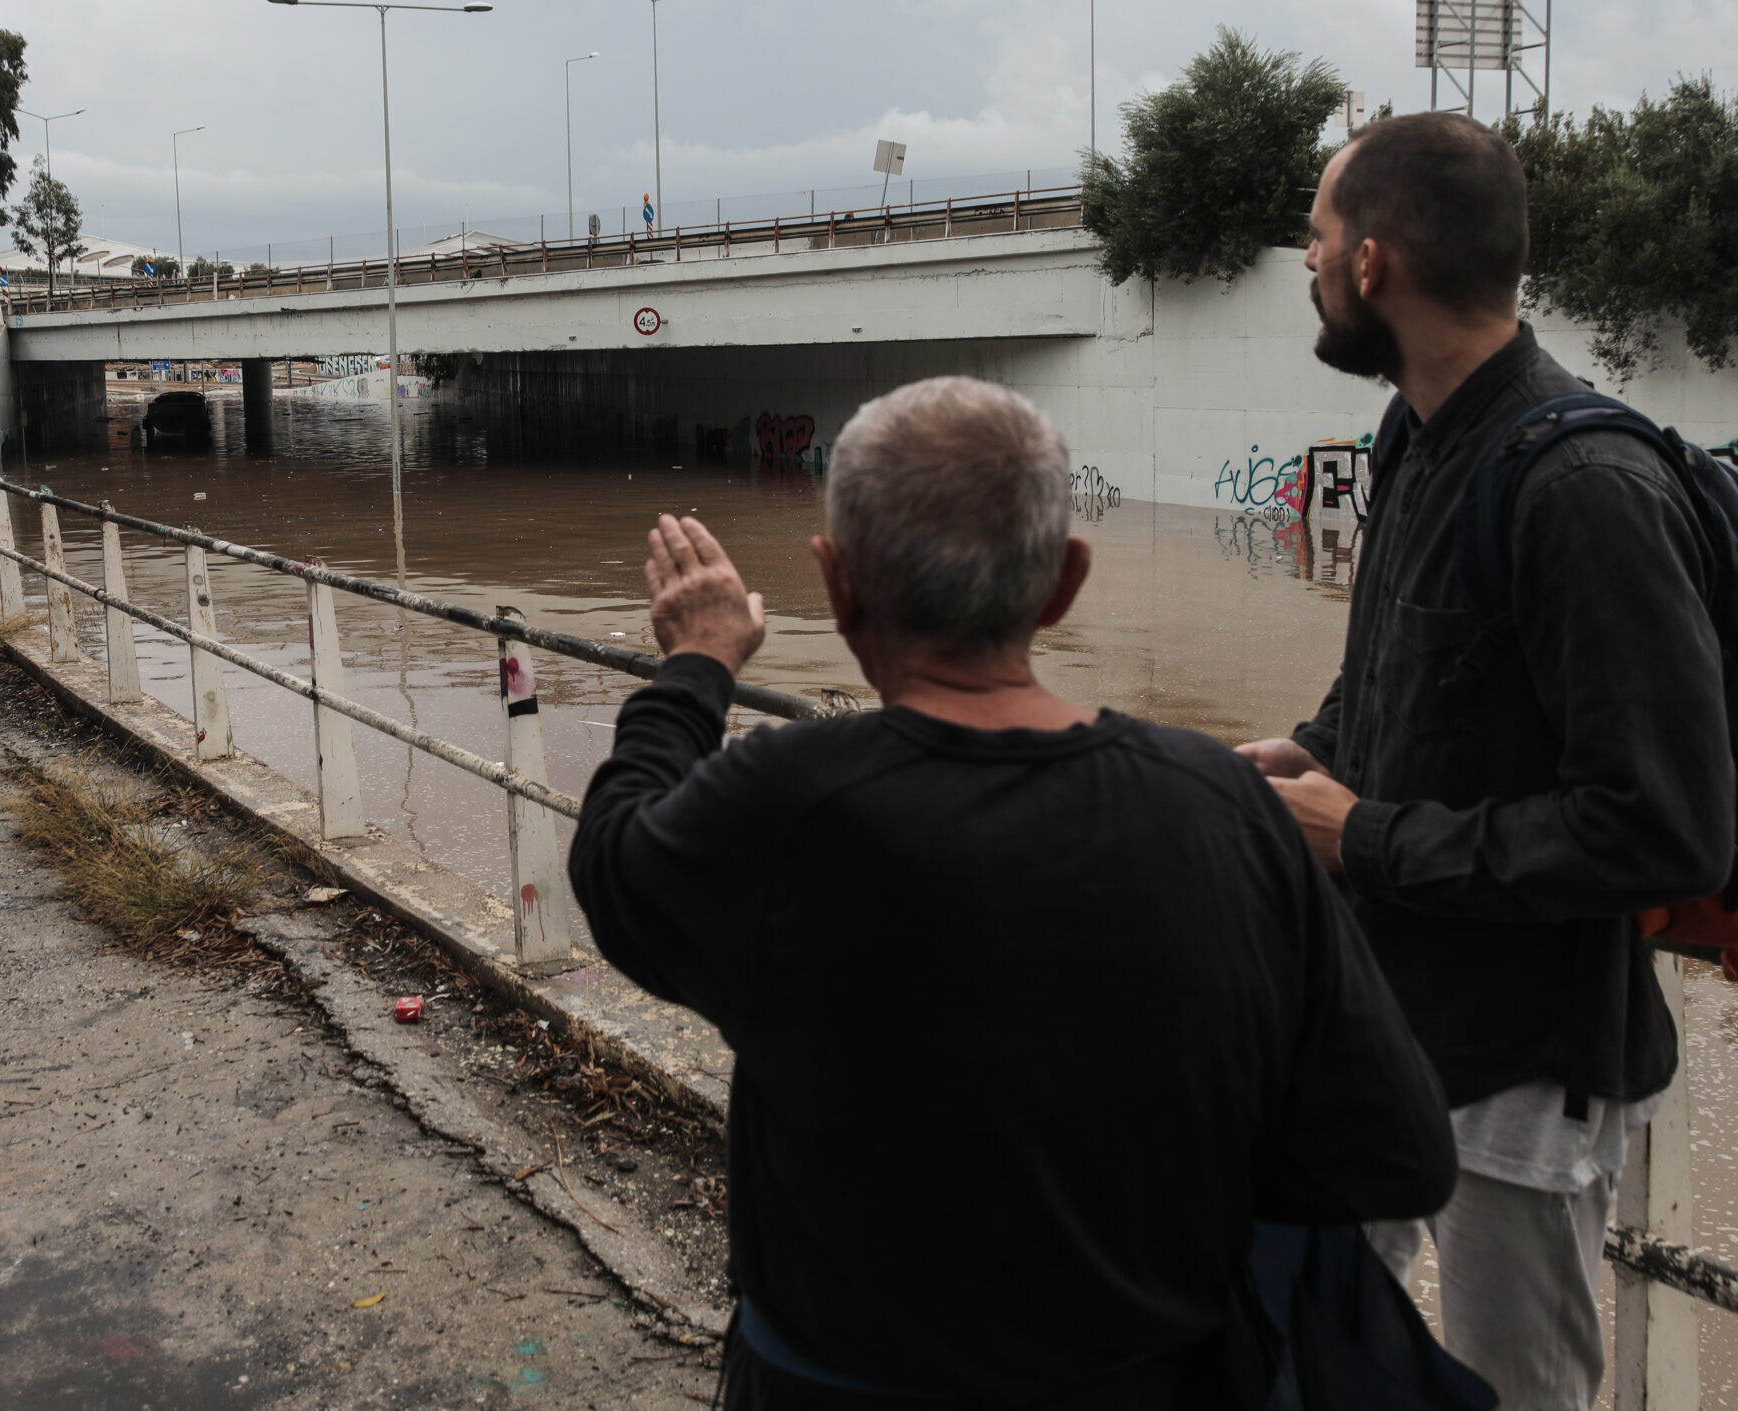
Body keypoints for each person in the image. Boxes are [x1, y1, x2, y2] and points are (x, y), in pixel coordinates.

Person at [571, 377, 1457, 1408]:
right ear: (1065, 582)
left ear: (836, 581)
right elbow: (1397, 1153)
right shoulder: (1220, 805)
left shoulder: (783, 805)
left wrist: (697, 667)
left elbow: (613, 866)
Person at [1238, 111, 1734, 1411]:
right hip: (1383, 1018)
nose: (1307, 254)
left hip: (1524, 1071)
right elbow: (1409, 680)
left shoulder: (1583, 486)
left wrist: (1367, 834)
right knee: (1296, 1338)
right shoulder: (1416, 434)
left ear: (1374, 264)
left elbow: (1668, 825)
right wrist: (1313, 748)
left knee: (1519, 1389)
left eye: (1319, 231)